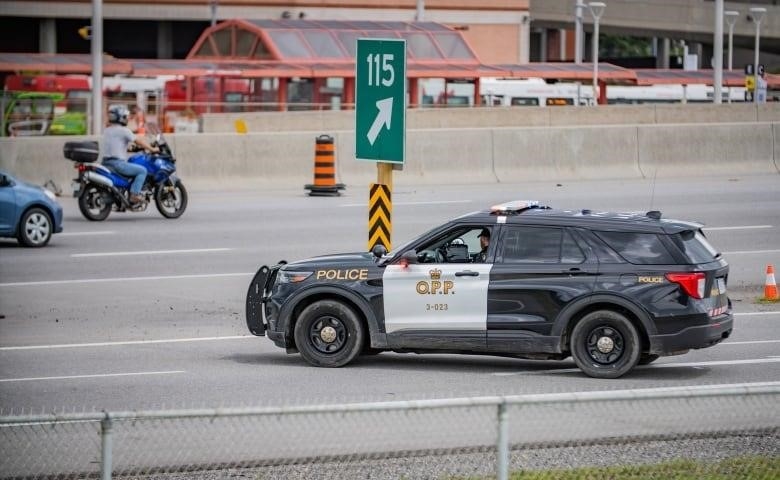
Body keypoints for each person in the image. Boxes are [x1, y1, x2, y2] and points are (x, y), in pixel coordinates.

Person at [102, 104, 158, 204]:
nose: (127, 119)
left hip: (106, 163)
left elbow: (116, 145)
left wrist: (130, 149)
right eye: (125, 117)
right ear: (121, 117)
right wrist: (152, 149)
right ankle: (134, 195)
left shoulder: (107, 130)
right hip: (118, 164)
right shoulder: (124, 131)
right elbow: (138, 141)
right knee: (142, 171)